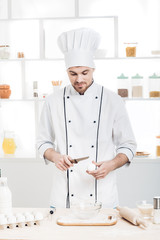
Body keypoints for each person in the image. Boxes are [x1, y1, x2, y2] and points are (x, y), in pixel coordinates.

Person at [37, 28, 137, 209]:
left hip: (103, 196)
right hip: (64, 198)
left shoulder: (112, 100)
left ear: (93, 69)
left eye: (85, 72)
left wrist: (112, 164)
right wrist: (56, 156)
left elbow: (128, 145)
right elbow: (42, 143)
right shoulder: (53, 101)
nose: (79, 79)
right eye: (73, 74)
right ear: (67, 71)